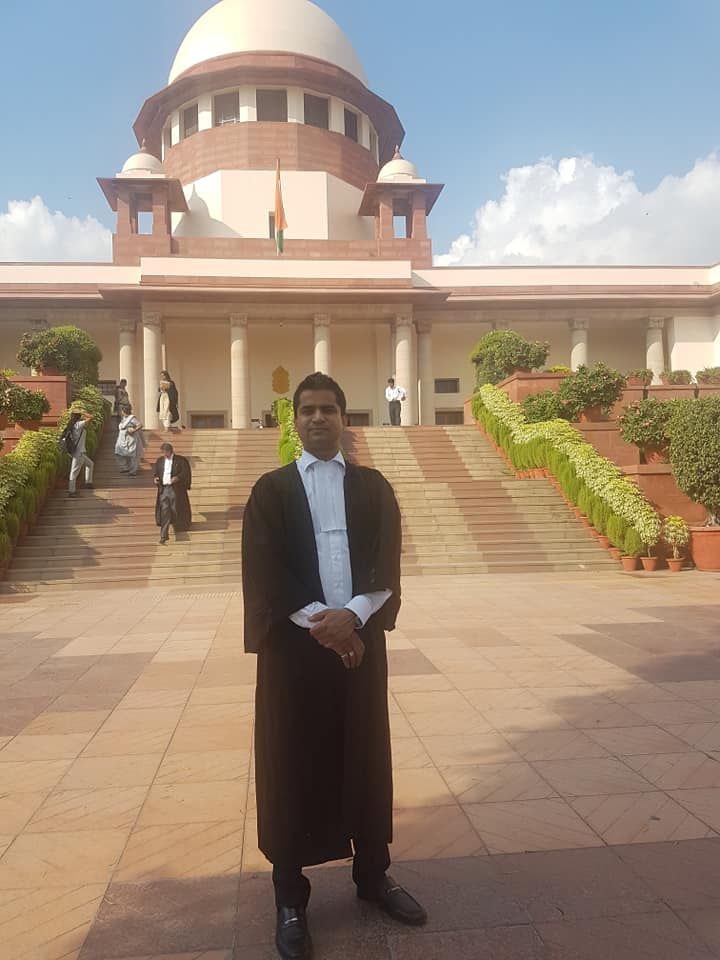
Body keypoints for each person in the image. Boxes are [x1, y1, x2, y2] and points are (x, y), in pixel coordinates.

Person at [241, 371, 426, 960]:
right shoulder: (271, 491)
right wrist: (325, 623)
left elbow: (385, 562)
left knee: (365, 754)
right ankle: (290, 898)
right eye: (307, 410)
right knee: (290, 761)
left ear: (346, 419)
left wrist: (354, 616)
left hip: (359, 646)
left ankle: (373, 875)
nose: (318, 418)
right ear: (294, 420)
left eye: (328, 409)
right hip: (294, 652)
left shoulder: (373, 488)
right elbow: (265, 570)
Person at [152, 441, 192, 544]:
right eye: (163, 452)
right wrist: (156, 478)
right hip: (164, 489)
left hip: (175, 489)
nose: (164, 454)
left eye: (166, 452)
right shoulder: (160, 461)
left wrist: (177, 478)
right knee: (165, 510)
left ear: (170, 451)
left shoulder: (180, 460)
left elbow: (185, 472)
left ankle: (178, 525)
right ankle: (163, 535)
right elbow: (156, 472)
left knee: (174, 509)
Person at [67, 409, 94, 498]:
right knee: (74, 472)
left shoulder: (71, 424)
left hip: (78, 451)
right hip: (79, 452)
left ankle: (88, 483)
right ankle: (71, 491)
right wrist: (82, 412)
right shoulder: (78, 425)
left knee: (90, 464)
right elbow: (91, 417)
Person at [115, 404, 145, 477]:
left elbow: (140, 425)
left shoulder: (132, 418)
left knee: (133, 455)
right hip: (122, 438)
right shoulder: (124, 418)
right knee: (119, 452)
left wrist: (134, 430)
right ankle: (125, 467)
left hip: (131, 438)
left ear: (124, 411)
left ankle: (133, 470)